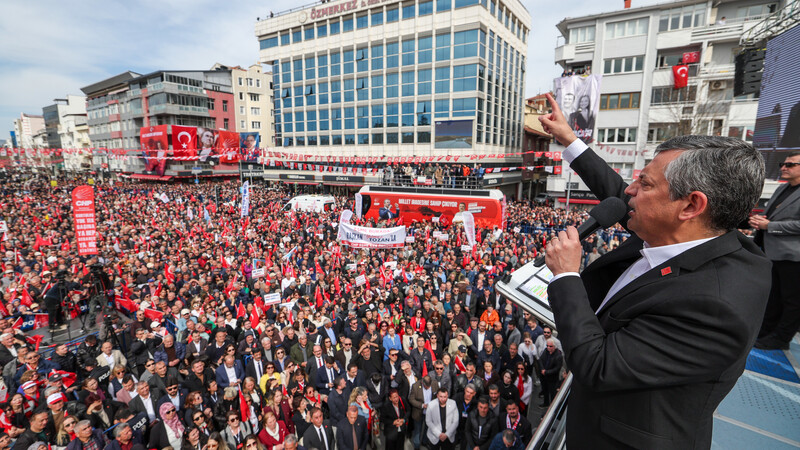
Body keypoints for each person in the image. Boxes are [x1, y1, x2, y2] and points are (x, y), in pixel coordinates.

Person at [539, 92, 771, 449]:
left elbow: (597, 365)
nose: (630, 192)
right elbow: (619, 193)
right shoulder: (693, 232)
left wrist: (566, 277)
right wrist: (570, 140)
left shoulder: (717, 305)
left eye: (645, 184)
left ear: (691, 205)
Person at [750, 152, 800, 350]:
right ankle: (766, 332)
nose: (783, 167)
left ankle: (781, 339)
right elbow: (772, 215)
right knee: (774, 296)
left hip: (794, 256)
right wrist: (759, 221)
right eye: (783, 164)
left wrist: (769, 226)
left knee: (792, 301)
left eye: (790, 164)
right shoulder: (783, 188)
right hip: (772, 251)